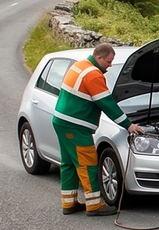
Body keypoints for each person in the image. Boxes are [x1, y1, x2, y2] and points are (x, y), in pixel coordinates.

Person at [53, 42, 142, 216]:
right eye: (108, 62)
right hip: (76, 125)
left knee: (69, 164)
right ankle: (94, 205)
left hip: (62, 122)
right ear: (99, 57)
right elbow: (107, 103)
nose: (109, 65)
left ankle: (69, 203)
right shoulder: (93, 75)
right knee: (88, 164)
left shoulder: (80, 65)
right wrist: (128, 125)